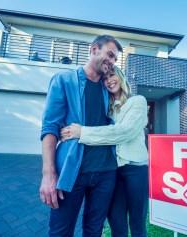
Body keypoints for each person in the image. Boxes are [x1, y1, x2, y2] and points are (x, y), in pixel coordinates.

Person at [39, 35, 123, 237]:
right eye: (110, 55)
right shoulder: (64, 80)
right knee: (60, 231)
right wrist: (48, 174)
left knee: (94, 231)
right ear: (94, 49)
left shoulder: (109, 87)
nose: (111, 62)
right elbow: (50, 127)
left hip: (106, 172)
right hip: (72, 171)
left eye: (115, 59)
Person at [61, 66, 149, 237]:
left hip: (135, 170)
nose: (109, 80)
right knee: (117, 224)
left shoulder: (137, 101)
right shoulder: (108, 109)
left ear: (121, 76)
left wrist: (82, 132)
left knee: (137, 224)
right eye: (105, 79)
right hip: (113, 170)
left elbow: (125, 132)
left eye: (111, 75)